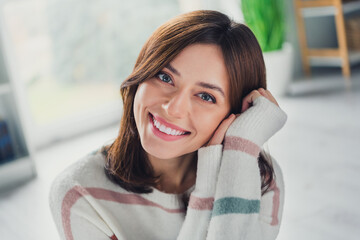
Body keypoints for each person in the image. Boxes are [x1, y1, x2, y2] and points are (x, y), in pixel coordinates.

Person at [49, 10, 287, 240]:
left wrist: (232, 161)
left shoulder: (262, 180)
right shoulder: (79, 193)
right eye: (165, 77)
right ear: (141, 75)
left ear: (236, 113)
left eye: (205, 96)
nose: (173, 108)